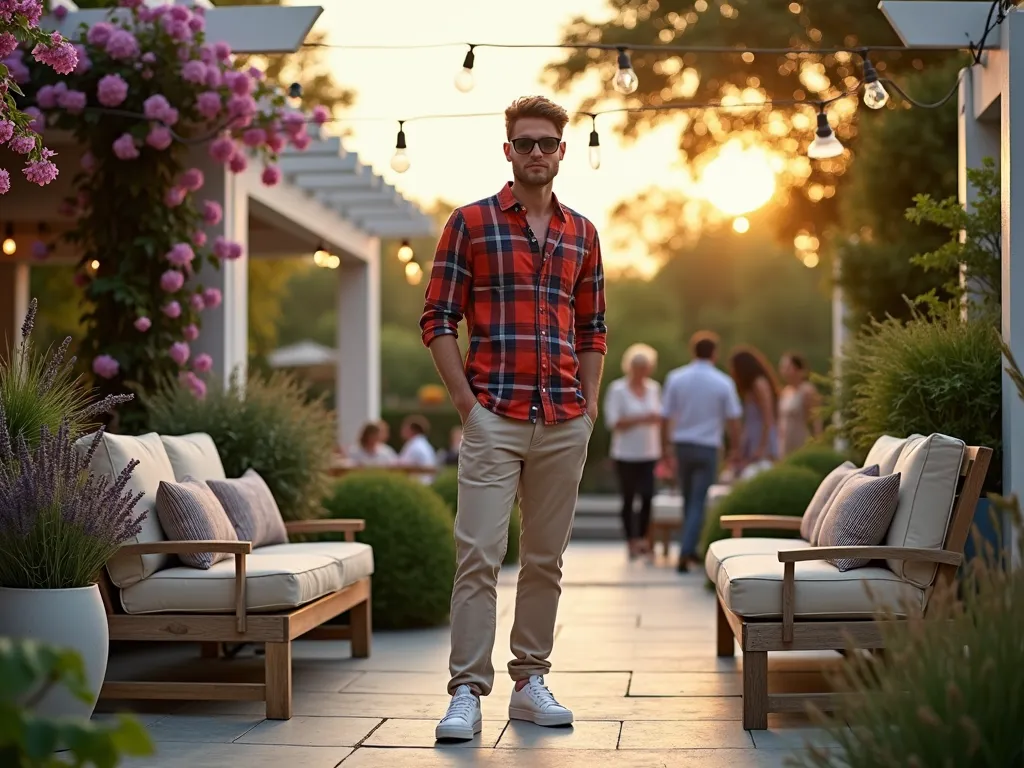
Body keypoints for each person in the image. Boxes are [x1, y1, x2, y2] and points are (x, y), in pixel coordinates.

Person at [419, 95, 606, 742]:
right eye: (523, 142)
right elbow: (438, 318)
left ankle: (530, 682)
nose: (535, 152)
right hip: (493, 412)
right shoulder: (469, 224)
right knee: (478, 555)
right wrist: (467, 407)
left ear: (561, 151)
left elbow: (594, 328)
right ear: (508, 151)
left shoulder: (583, 233)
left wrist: (589, 408)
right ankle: (467, 691)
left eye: (546, 143)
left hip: (562, 416)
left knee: (546, 560)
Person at [661, 331, 743, 573]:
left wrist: (665, 446)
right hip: (708, 447)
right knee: (697, 500)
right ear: (714, 353)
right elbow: (734, 419)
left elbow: (665, 416)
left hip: (683, 445)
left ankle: (689, 548)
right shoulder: (723, 382)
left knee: (689, 499)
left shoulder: (676, 378)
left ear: (692, 350)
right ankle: (687, 551)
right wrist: (735, 448)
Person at [603, 343, 662, 560]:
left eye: (645, 366)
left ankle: (644, 538)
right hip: (625, 453)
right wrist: (642, 419)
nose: (641, 371)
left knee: (647, 496)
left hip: (649, 452)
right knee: (628, 497)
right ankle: (631, 540)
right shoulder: (617, 389)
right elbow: (613, 421)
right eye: (637, 366)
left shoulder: (654, 388)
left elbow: (659, 418)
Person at [728, 345, 780, 471]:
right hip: (752, 436)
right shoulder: (750, 388)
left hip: (761, 437)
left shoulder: (759, 384)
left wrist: (762, 447)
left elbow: (768, 417)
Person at [778, 351, 823, 456]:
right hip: (785, 443)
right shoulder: (785, 392)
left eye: (788, 367)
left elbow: (816, 419)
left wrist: (818, 441)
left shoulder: (807, 391)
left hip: (801, 441)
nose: (784, 371)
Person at [397, 414, 437, 484]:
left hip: (418, 484)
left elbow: (402, 466)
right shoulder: (423, 444)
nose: (402, 431)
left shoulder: (415, 446)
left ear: (412, 430)